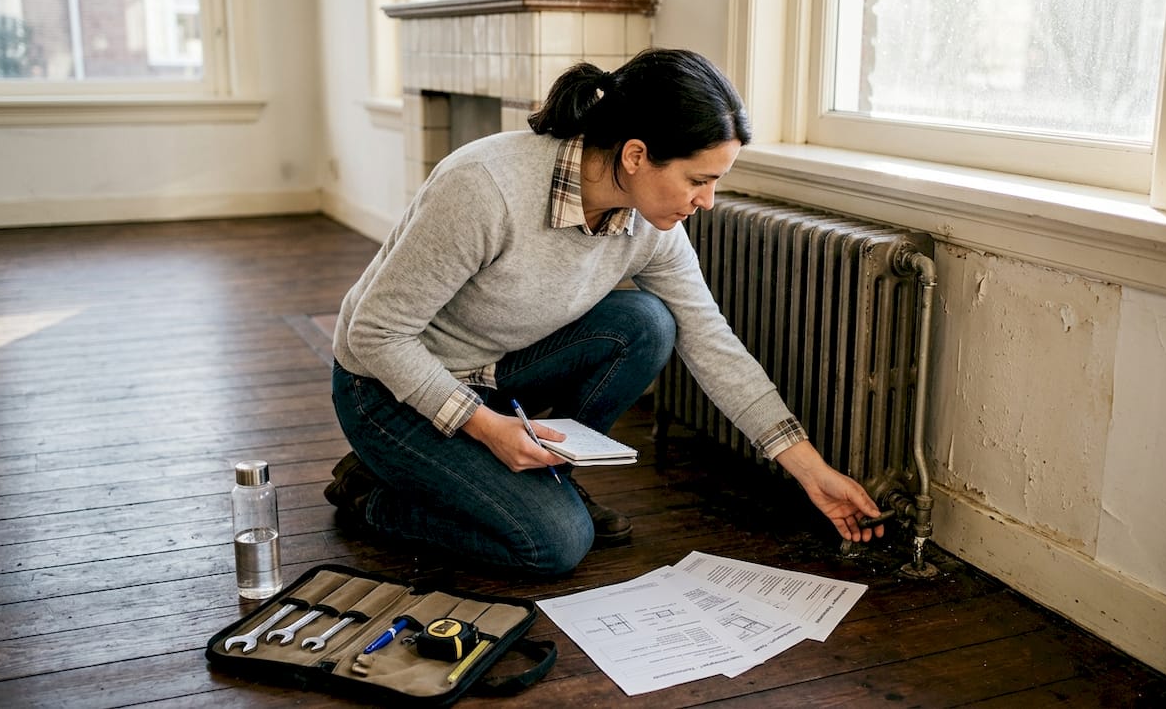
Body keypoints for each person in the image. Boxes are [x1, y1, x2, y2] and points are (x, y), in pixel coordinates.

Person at [325, 47, 883, 577]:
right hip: (382, 388)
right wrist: (488, 428)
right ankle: (372, 494)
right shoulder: (484, 187)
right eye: (698, 180)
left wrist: (811, 471)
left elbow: (710, 340)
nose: (708, 201)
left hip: (492, 370)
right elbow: (376, 334)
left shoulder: (649, 227)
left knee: (647, 323)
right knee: (555, 545)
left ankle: (549, 480)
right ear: (636, 155)